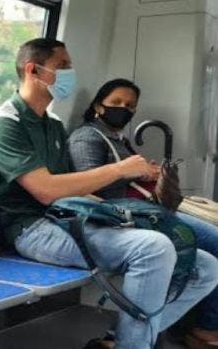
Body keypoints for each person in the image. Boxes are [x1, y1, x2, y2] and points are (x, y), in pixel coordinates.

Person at [0, 38, 218, 349]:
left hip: (69, 216)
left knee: (207, 267)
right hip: (32, 228)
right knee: (154, 248)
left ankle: (122, 340)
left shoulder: (52, 125)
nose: (70, 73)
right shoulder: (4, 124)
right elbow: (46, 191)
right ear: (33, 70)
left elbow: (70, 185)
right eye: (63, 66)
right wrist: (120, 170)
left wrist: (124, 215)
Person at [69, 78, 218, 349]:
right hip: (126, 216)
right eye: (116, 103)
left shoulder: (119, 140)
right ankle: (205, 328)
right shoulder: (88, 136)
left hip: (147, 211)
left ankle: (133, 335)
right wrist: (131, 172)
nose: (123, 109)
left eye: (130, 105)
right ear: (98, 106)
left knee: (208, 255)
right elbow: (88, 187)